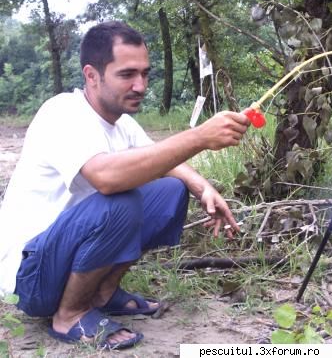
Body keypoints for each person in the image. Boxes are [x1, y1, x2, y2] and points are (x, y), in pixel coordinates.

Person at [0, 21, 250, 349]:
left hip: (63, 260)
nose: (140, 85)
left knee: (171, 190)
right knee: (120, 198)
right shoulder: (62, 113)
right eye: (127, 74)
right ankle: (69, 315)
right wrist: (200, 137)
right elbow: (107, 177)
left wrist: (202, 187)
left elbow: (167, 162)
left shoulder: (124, 125)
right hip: (30, 276)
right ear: (92, 75)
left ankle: (102, 293)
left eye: (145, 74)